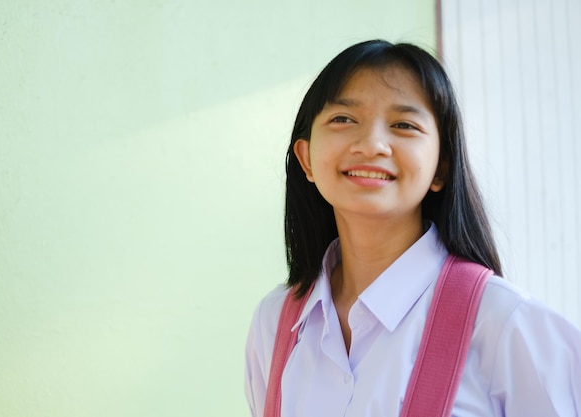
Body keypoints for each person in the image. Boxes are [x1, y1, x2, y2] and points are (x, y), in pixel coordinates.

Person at [244, 40, 581, 416]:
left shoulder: (505, 323)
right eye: (343, 119)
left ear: (440, 167)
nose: (372, 144)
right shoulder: (274, 322)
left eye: (403, 125)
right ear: (306, 159)